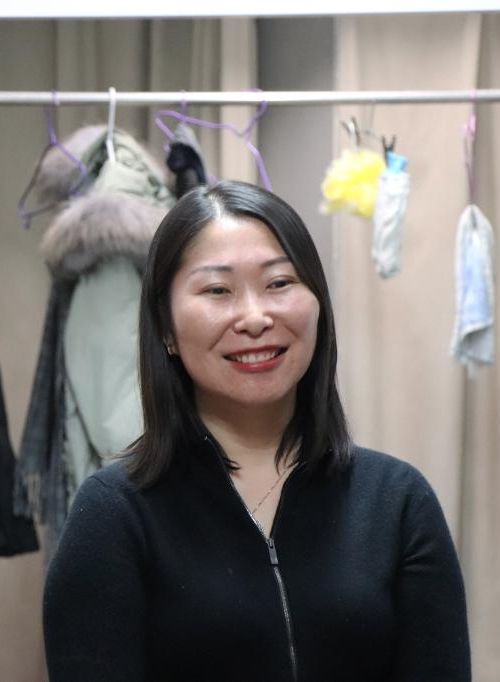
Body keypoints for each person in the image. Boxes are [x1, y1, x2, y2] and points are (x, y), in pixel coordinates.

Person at [43, 181, 471, 681]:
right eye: (217, 290)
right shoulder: (113, 514)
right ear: (165, 328)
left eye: (279, 283)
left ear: (318, 304)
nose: (255, 317)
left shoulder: (397, 501)